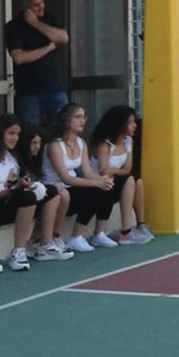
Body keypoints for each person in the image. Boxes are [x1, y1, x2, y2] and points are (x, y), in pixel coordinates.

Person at [0, 113, 50, 271]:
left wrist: (22, 184)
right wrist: (16, 187)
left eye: (17, 134)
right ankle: (18, 252)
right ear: (1, 133)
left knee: (51, 192)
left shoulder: (10, 159)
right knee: (26, 197)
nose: (14, 138)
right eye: (11, 133)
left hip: (3, 204)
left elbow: (9, 185)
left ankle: (39, 243)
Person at [43, 104, 116, 254]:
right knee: (95, 190)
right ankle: (64, 238)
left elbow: (88, 171)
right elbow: (66, 178)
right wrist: (97, 183)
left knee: (106, 187)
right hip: (55, 189)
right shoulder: (55, 145)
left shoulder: (81, 143)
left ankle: (80, 235)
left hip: (71, 189)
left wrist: (104, 179)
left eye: (84, 117)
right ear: (66, 120)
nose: (83, 120)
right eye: (78, 117)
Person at [5, 0, 70, 128]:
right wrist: (48, 48)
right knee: (30, 130)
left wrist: (35, 23)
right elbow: (19, 57)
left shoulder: (49, 19)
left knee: (65, 125)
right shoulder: (13, 27)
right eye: (36, 5)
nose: (41, 7)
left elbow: (63, 37)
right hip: (28, 91)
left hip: (54, 86)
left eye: (42, 2)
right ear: (25, 7)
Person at [91, 106, 153, 245]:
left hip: (115, 180)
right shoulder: (105, 145)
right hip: (100, 184)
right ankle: (126, 232)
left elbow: (128, 169)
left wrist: (114, 171)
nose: (134, 125)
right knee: (129, 180)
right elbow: (104, 171)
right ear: (119, 124)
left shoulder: (127, 141)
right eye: (130, 122)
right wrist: (113, 171)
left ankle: (141, 224)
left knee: (138, 181)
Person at [17, 126, 72, 262]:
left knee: (61, 194)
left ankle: (47, 239)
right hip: (21, 200)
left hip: (34, 197)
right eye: (33, 143)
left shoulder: (37, 160)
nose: (37, 147)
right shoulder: (17, 160)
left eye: (39, 142)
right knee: (53, 192)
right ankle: (45, 245)